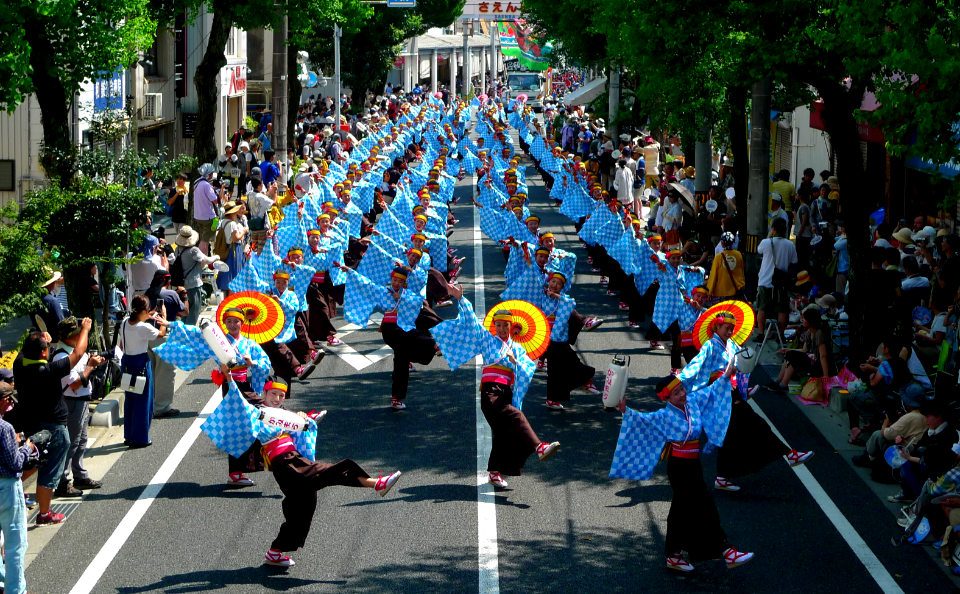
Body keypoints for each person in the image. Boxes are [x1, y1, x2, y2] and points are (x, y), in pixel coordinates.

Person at [215, 369, 400, 567]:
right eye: (273, 394)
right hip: (285, 462)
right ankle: (376, 484)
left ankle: (275, 552)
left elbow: (301, 425)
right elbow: (240, 399)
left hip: (291, 462)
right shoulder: (258, 412)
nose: (277, 398)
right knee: (330, 472)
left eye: (281, 395)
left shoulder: (285, 414)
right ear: (264, 393)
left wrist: (304, 418)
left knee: (302, 510)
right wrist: (230, 377)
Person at [611, 368, 754, 572]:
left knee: (680, 511)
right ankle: (726, 551)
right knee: (705, 507)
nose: (682, 394)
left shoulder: (693, 402)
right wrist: (626, 411)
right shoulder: (664, 415)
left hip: (693, 465)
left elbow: (712, 391)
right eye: (676, 393)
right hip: (679, 468)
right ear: (667, 398)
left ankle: (673, 554)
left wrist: (726, 375)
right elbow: (644, 420)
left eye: (682, 389)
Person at [432, 286, 561, 489]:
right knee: (516, 417)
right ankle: (539, 447)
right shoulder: (487, 340)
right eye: (498, 325)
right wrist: (461, 298)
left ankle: (493, 472)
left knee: (503, 434)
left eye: (505, 326)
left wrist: (515, 361)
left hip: (506, 392)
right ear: (494, 325)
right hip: (490, 392)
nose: (502, 329)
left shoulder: (517, 349)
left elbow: (527, 372)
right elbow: (472, 323)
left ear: (511, 327)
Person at [12, 320, 93, 525]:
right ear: (42, 354)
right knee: (47, 470)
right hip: (53, 427)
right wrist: (85, 328)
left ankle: (11, 485)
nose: (49, 350)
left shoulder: (20, 364)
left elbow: (26, 350)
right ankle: (45, 514)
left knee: (34, 460)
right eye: (47, 348)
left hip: (32, 423)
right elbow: (78, 352)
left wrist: (40, 337)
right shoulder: (50, 371)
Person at [51, 317, 106, 498]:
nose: (81, 336)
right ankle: (62, 482)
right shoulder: (61, 355)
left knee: (81, 441)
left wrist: (93, 362)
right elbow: (74, 384)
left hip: (81, 401)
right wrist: (90, 367)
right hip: (72, 402)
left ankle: (80, 475)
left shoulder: (75, 351)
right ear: (70, 336)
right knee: (71, 443)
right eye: (78, 333)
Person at [0, 382, 37, 594]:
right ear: (4, 400)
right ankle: (16, 590)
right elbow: (15, 463)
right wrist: (26, 448)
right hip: (6, 488)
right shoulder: (5, 428)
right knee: (16, 543)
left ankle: (1, 582)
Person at [119, 295, 169, 448]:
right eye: (147, 311)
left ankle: (129, 435)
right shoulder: (144, 327)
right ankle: (140, 438)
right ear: (143, 311)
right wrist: (164, 318)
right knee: (143, 401)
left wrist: (149, 315)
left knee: (131, 401)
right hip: (140, 363)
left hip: (127, 363)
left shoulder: (124, 322)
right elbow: (160, 333)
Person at [145, 269, 187, 418]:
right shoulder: (171, 294)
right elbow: (185, 311)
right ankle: (161, 408)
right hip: (164, 337)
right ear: (168, 281)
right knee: (165, 374)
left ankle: (150, 405)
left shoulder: (147, 293)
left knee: (152, 373)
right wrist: (184, 295)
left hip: (147, 336)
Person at [767, 309, 831, 391]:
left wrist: (826, 375)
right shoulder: (809, 332)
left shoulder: (819, 334)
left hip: (816, 364)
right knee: (790, 354)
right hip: (810, 360)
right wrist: (787, 349)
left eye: (804, 319)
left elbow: (823, 356)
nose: (802, 320)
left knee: (792, 356)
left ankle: (783, 384)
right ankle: (778, 381)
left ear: (812, 322)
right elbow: (804, 350)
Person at [755, 218, 796, 343]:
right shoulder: (790, 245)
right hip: (781, 283)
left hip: (765, 281)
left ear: (773, 229)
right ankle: (781, 334)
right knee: (782, 309)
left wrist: (769, 235)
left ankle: (761, 334)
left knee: (762, 308)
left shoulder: (766, 242)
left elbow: (759, 251)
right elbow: (793, 263)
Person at [174, 226, 220, 326]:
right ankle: (190, 330)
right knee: (194, 308)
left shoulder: (178, 249)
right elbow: (207, 260)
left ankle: (183, 328)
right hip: (193, 283)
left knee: (185, 308)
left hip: (182, 282)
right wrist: (216, 257)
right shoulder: (193, 250)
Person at [216, 202, 248, 298]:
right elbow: (236, 238)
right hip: (234, 250)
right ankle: (232, 299)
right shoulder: (233, 224)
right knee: (234, 276)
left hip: (227, 248)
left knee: (228, 274)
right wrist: (243, 231)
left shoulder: (223, 222)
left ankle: (228, 298)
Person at [193, 163, 223, 255]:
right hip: (207, 217)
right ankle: (203, 263)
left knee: (202, 239)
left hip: (198, 216)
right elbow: (215, 201)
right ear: (209, 174)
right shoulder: (206, 185)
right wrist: (221, 189)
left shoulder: (196, 182)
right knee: (205, 242)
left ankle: (202, 261)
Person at [707, 232, 745, 302]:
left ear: (722, 243)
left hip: (719, 293)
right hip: (734, 292)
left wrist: (709, 292)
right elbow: (741, 273)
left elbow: (713, 275)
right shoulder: (738, 255)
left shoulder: (718, 257)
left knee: (719, 312)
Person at [36, 269, 65, 342]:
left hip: (39, 339)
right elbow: (61, 324)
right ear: (52, 283)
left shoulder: (35, 300)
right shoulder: (52, 301)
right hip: (54, 341)